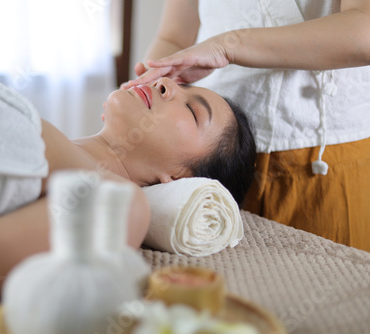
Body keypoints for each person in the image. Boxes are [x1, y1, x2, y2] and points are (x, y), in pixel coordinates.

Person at [0, 67, 255, 322]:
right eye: (178, 83)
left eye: (192, 111)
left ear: (178, 179)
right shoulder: (52, 147)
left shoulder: (117, 207)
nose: (165, 83)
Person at [124, 0, 370, 252]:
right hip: (207, 167)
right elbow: (174, 37)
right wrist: (144, 95)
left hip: (325, 166)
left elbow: (364, 30)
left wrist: (228, 46)